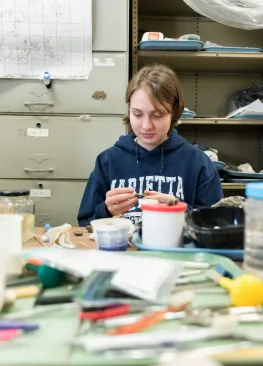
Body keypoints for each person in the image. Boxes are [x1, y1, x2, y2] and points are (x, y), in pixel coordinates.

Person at [78, 64, 223, 226]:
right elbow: (85, 224)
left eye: (157, 115)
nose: (146, 126)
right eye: (137, 114)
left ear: (173, 111)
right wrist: (105, 210)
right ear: (129, 110)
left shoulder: (198, 162)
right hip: (121, 250)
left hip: (176, 251)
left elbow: (216, 226)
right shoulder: (107, 161)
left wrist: (182, 211)